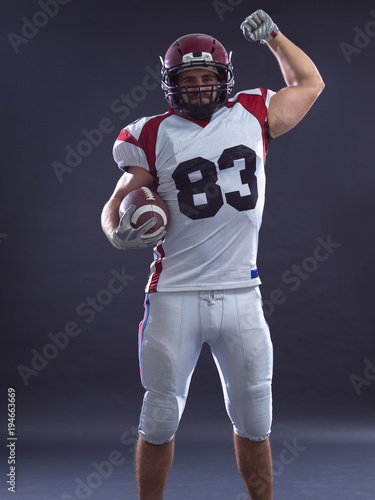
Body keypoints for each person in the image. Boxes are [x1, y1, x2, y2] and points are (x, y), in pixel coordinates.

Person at [101, 9, 324, 500]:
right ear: (170, 83)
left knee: (255, 417)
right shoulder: (152, 133)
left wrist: (274, 38)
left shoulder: (253, 111)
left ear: (224, 79)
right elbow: (116, 200)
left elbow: (309, 82)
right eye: (188, 78)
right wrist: (115, 228)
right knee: (159, 417)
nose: (199, 86)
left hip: (242, 293)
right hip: (174, 295)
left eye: (207, 77)